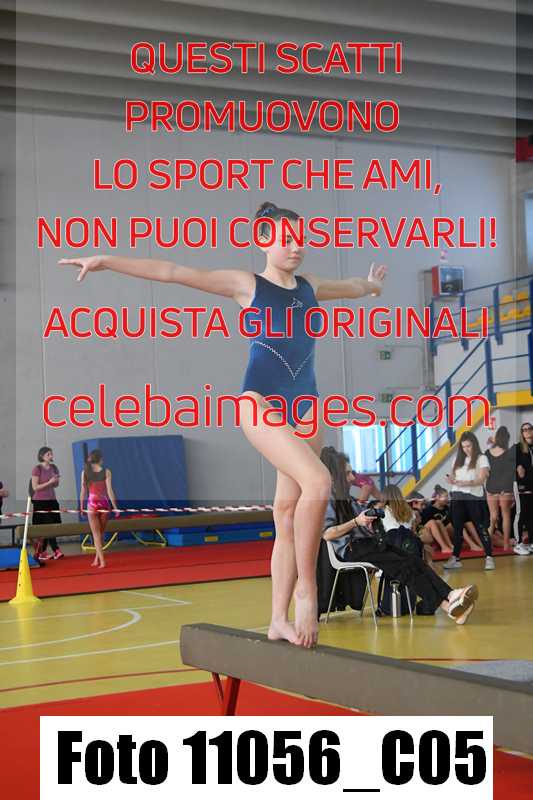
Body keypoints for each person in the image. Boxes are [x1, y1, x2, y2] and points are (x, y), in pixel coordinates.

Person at [60, 201, 387, 648]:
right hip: (261, 402)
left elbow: (351, 286)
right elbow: (174, 271)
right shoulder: (247, 284)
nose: (296, 246)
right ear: (264, 241)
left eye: (301, 238)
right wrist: (106, 260)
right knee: (317, 482)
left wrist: (372, 286)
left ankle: (277, 619)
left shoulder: (309, 285)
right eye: (285, 239)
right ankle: (306, 591)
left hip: (307, 408)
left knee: (286, 513)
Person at [320, 448, 479, 624]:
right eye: (348, 473)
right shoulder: (328, 499)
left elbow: (361, 524)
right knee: (404, 566)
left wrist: (369, 524)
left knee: (413, 560)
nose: (352, 478)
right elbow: (327, 534)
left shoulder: (348, 499)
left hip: (367, 544)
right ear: (336, 476)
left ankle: (450, 604)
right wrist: (356, 522)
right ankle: (450, 599)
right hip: (352, 549)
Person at [444, 432, 494, 570]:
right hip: (457, 496)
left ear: (474, 445)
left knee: (480, 526)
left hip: (474, 496)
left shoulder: (481, 458)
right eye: (464, 446)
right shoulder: (457, 459)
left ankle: (489, 557)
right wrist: (450, 479)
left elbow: (481, 479)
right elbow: (453, 475)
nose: (466, 449)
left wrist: (465, 483)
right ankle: (455, 557)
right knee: (458, 527)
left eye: (469, 446)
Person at [79, 449, 119, 569]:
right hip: (104, 503)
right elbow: (110, 491)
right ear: (100, 459)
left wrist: (81, 507)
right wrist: (115, 507)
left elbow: (83, 491)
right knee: (100, 533)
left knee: (96, 534)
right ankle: (97, 559)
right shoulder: (107, 471)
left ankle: (102, 561)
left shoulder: (85, 472)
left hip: (92, 503)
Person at [484, 426, 515, 550]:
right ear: (507, 439)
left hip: (491, 487)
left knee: (493, 517)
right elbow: (511, 474)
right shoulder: (509, 454)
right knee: (506, 515)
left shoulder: (487, 453)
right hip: (505, 487)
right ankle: (506, 544)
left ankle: (487, 543)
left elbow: (486, 473)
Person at [31, 447, 64, 561]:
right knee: (48, 525)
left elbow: (55, 485)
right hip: (40, 502)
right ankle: (56, 550)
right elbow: (35, 487)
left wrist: (55, 481)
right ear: (42, 456)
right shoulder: (37, 469)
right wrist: (49, 482)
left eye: (51, 454)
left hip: (52, 500)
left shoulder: (54, 467)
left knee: (53, 525)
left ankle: (42, 551)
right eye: (48, 454)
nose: (51, 456)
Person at [514, 421, 533, 555]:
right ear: (522, 433)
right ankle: (518, 543)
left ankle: (531, 542)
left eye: (529, 429)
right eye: (524, 430)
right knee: (521, 514)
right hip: (522, 486)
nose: (527, 431)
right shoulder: (518, 448)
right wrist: (517, 467)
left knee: (532, 515)